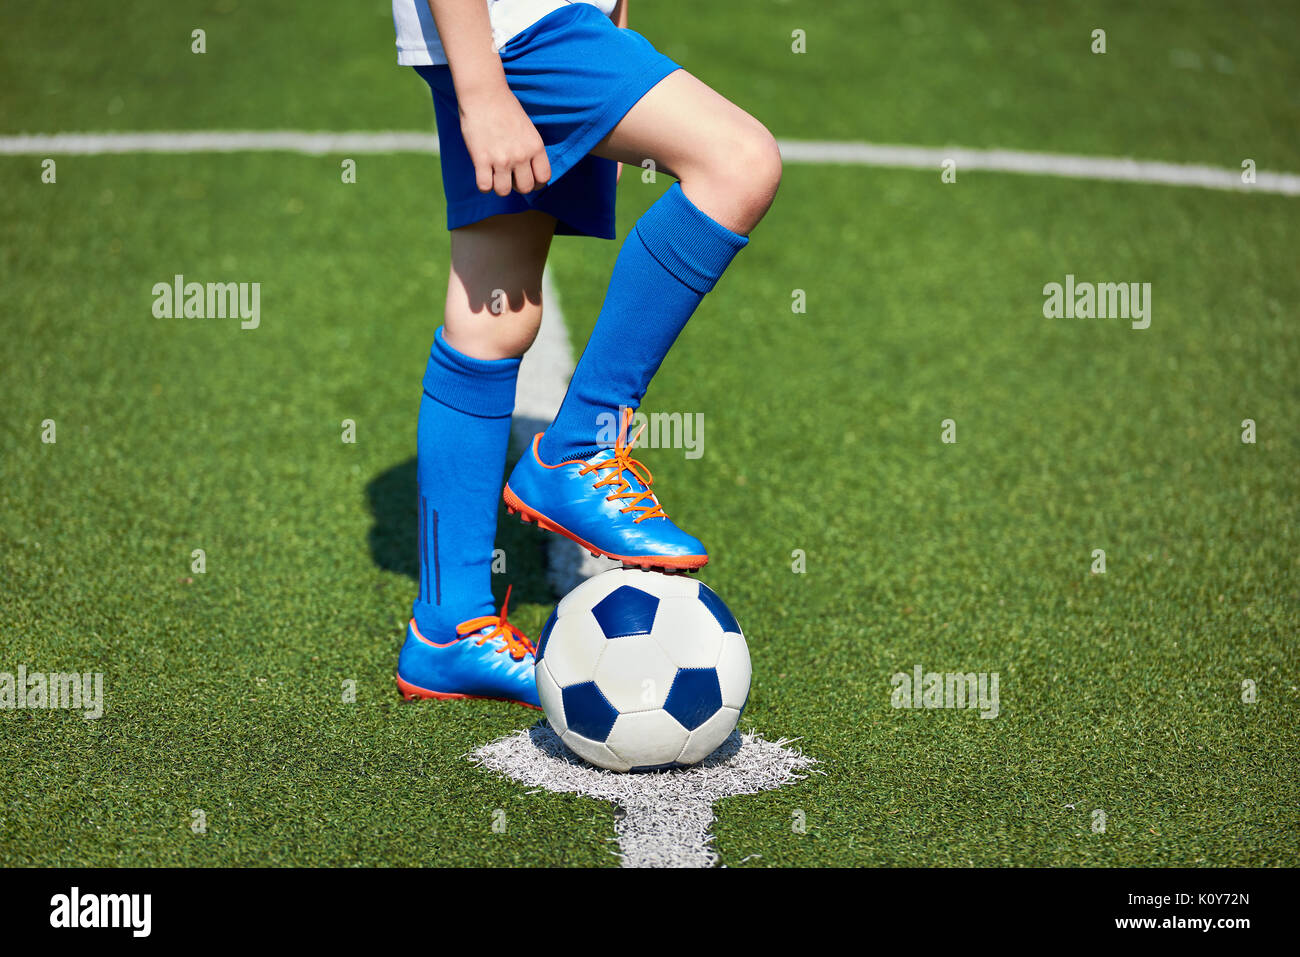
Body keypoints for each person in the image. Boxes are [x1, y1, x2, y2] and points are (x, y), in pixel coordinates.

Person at [392, 0, 782, 708]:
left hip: (534, 22)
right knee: (738, 161)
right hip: (518, 25)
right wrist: (482, 92)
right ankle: (577, 451)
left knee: (496, 308)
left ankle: (447, 633)